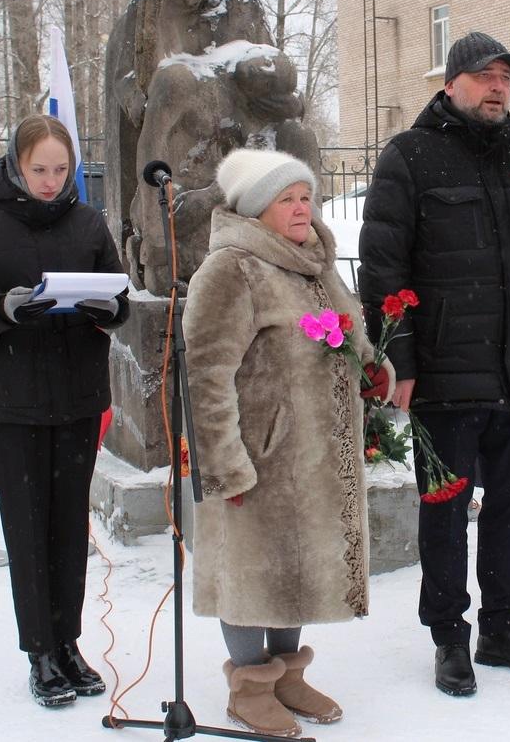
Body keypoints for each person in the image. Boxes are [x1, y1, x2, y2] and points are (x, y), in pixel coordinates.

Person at [358, 31, 510, 697]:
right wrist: (396, 359)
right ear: (451, 82)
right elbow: (381, 266)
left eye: (505, 77)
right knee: (445, 511)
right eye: (484, 75)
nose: (498, 86)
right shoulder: (410, 156)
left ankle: (501, 626)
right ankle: (449, 638)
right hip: (442, 372)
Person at [183, 149, 393, 738]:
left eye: (306, 196)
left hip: (316, 457)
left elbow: (349, 332)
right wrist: (225, 465)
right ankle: (249, 687)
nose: (303, 208)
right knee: (252, 572)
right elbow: (205, 374)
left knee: (295, 567)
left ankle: (285, 676)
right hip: (257, 457)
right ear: (257, 209)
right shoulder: (232, 269)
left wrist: (374, 367)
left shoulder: (315, 263)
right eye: (288, 200)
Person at [0, 114, 130, 708]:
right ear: (17, 168)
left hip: (76, 400)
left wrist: (107, 308)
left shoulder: (88, 222)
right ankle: (39, 652)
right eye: (39, 169)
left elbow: (119, 300)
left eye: (61, 169)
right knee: (27, 532)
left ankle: (69, 643)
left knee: (70, 529)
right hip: (12, 406)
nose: (51, 181)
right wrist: (4, 308)